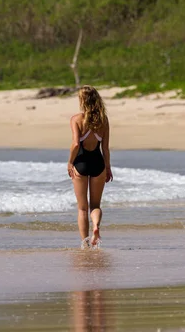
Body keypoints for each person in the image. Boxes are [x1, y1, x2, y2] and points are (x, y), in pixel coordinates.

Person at [67, 85, 113, 249]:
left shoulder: (76, 119)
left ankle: (85, 243)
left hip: (81, 163)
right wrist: (107, 167)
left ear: (82, 101)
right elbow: (105, 148)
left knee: (82, 208)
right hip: (98, 163)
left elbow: (75, 144)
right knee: (95, 206)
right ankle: (96, 226)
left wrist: (70, 162)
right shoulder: (104, 120)